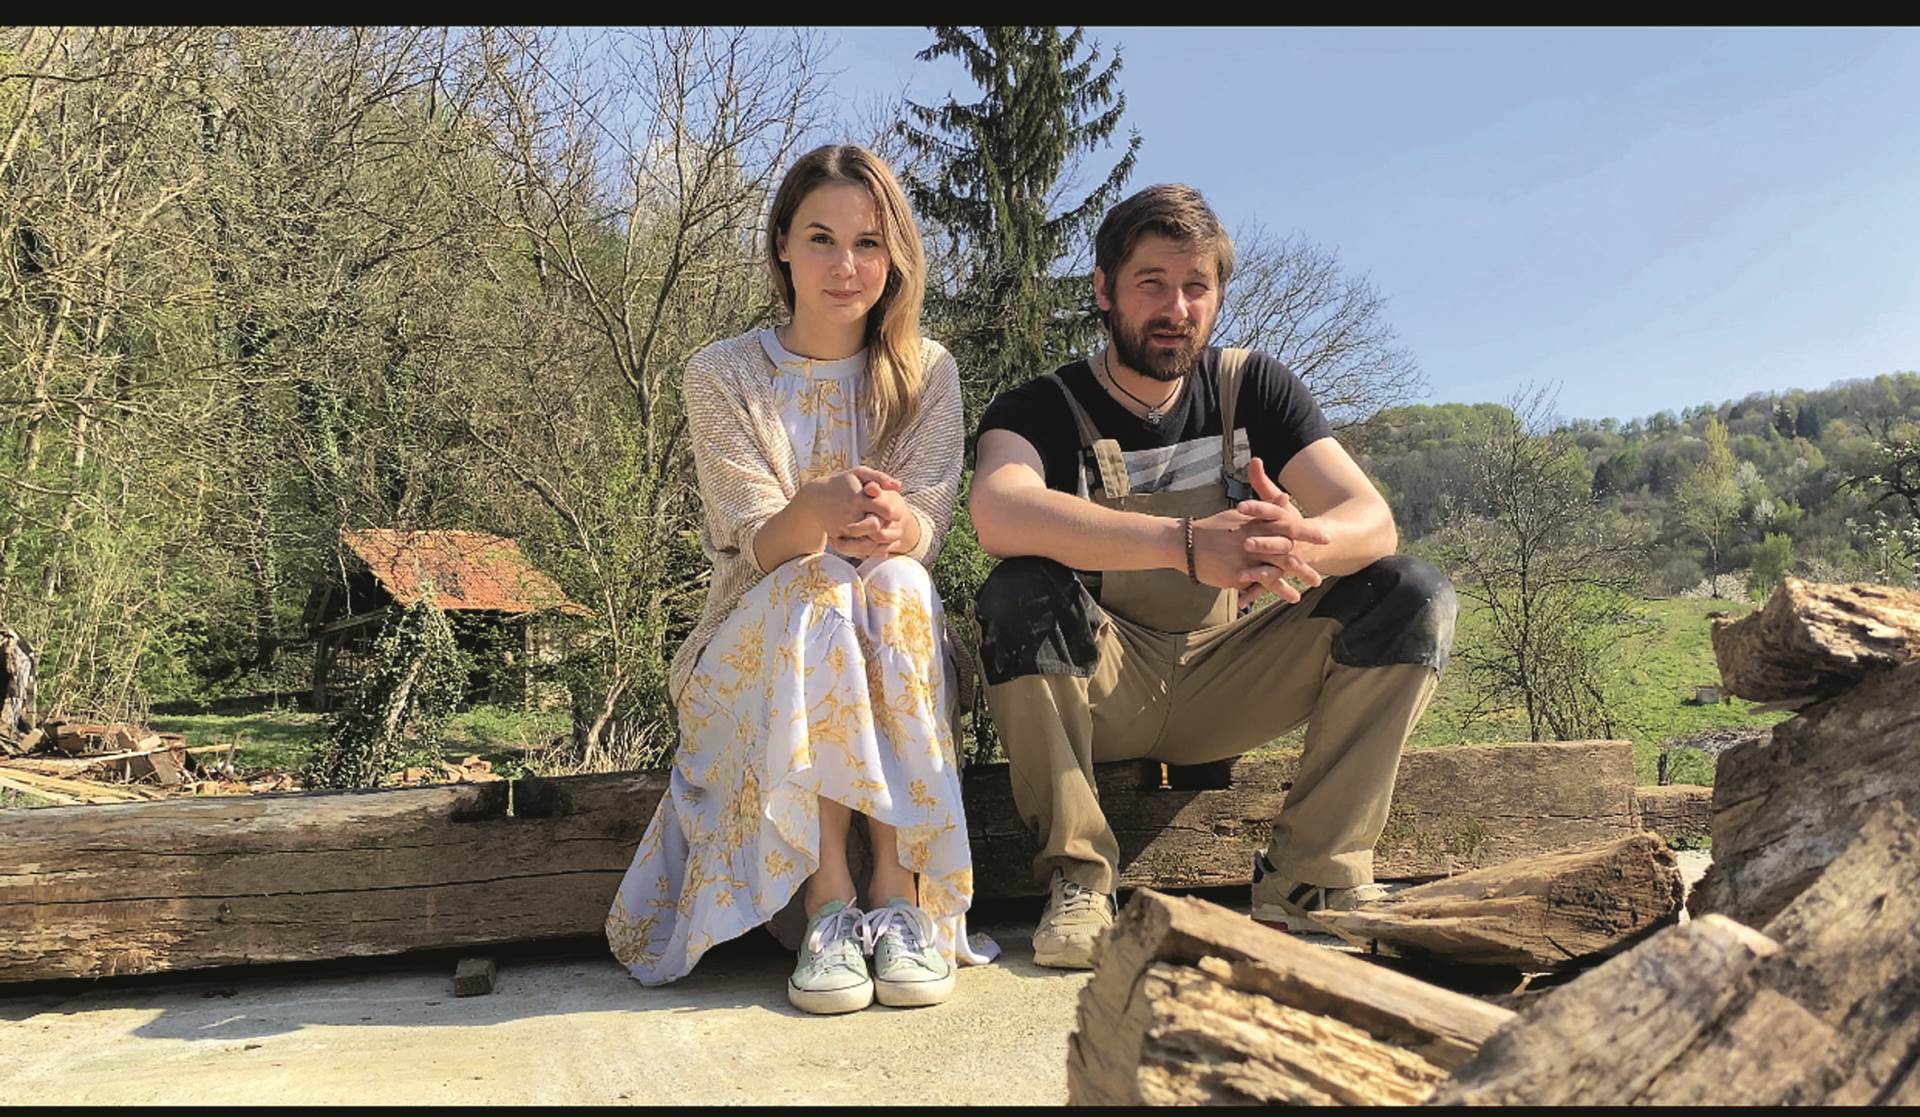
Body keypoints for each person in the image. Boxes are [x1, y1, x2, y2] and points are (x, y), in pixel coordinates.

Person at [967, 184, 1456, 968]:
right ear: (1103, 289)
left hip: (1232, 676)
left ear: (1219, 295)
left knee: (1411, 595)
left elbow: (1372, 520)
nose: (1177, 308)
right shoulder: (1040, 407)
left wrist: (1296, 540)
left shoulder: (1254, 387)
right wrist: (1188, 544)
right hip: (1103, 688)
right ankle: (1079, 879)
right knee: (1017, 591)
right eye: (1152, 283)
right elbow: (997, 509)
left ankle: (1311, 879)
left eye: (1197, 286)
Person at [606, 144, 995, 1012]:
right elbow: (758, 547)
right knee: (821, 582)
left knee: (895, 582)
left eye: (868, 242)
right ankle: (828, 903)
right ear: (782, 243)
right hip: (749, 653)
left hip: (888, 642)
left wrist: (903, 526)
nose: (845, 265)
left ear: (894, 256)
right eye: (821, 238)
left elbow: (927, 526)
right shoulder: (723, 375)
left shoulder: (927, 372)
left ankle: (898, 897)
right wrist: (815, 509)